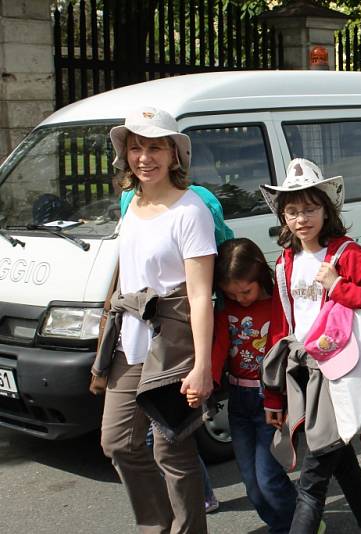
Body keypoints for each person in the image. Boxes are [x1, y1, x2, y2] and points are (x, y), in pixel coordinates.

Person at [260, 158, 361, 534]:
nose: (302, 218)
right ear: (283, 217)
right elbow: (280, 329)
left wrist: (339, 287)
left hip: (338, 377)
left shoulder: (345, 254)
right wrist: (275, 397)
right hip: (302, 375)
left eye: (310, 208)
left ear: (326, 210)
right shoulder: (285, 262)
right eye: (292, 211)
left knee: (313, 478)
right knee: (343, 467)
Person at [97, 107, 216, 532]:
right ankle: (156, 525)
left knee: (172, 450)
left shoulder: (191, 210)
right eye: (135, 147)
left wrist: (201, 368)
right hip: (130, 340)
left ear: (174, 154)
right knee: (118, 443)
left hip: (174, 342)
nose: (143, 157)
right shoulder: (131, 203)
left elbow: (201, 295)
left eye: (154, 147)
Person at [210, 238, 297, 532]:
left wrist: (276, 399)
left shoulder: (278, 306)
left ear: (260, 276)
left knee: (270, 481)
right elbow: (220, 344)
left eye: (246, 290)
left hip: (269, 401)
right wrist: (208, 380)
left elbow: (280, 352)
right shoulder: (226, 308)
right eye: (231, 293)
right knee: (253, 487)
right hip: (238, 402)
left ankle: (298, 526)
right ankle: (291, 523)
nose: (241, 298)